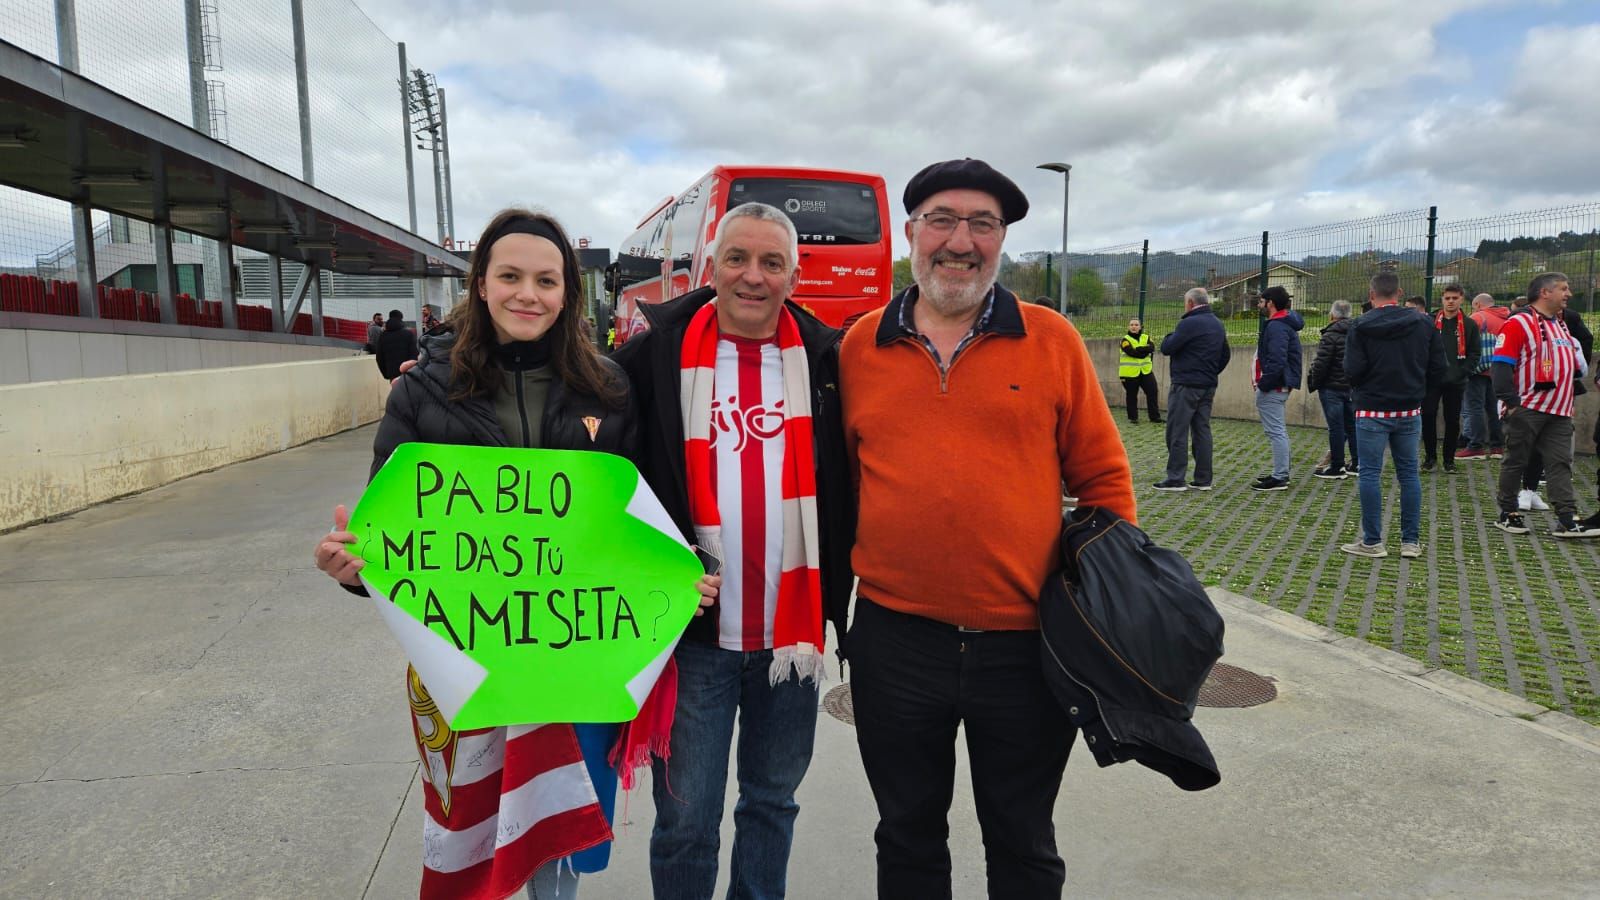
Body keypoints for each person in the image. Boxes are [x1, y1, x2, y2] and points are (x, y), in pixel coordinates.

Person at [312, 208, 718, 899]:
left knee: (556, 840)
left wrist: (681, 578)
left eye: (546, 279)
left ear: (568, 293)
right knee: (471, 840)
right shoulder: (421, 388)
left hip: (574, 658)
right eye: (510, 276)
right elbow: (392, 539)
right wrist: (353, 570)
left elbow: (633, 522)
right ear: (481, 283)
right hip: (465, 663)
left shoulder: (609, 389)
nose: (528, 293)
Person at [841, 158, 1135, 899]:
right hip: (894, 641)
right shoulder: (857, 348)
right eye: (941, 219)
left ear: (1002, 240)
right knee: (906, 836)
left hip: (1027, 646)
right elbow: (840, 484)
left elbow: (1103, 484)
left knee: (1024, 840)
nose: (960, 240)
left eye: (983, 224)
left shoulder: (1051, 339)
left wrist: (1108, 612)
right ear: (911, 232)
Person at [610, 201, 855, 900]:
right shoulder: (648, 358)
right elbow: (594, 468)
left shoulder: (829, 362)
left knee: (772, 806)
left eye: (771, 262)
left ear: (794, 276)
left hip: (791, 639)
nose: (753, 276)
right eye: (737, 259)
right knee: (686, 820)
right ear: (710, 268)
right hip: (695, 638)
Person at [1341, 272, 1446, 558]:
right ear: (1399, 292)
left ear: (1371, 294)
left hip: (1372, 409)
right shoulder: (1425, 323)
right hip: (1410, 408)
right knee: (1409, 474)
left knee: (1370, 474)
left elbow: (1352, 369)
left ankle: (1372, 542)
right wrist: (1418, 388)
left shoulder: (1360, 325)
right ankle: (1410, 542)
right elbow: (1439, 367)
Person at [1491, 273, 1600, 537]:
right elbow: (1501, 365)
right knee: (1516, 460)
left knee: (1560, 463)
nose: (1569, 294)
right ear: (1544, 293)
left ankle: (1566, 518)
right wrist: (1512, 402)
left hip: (1560, 411)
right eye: (1563, 288)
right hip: (1528, 407)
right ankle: (1508, 512)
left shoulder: (1560, 324)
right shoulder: (1519, 323)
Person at [1153, 287, 1230, 491]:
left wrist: (1171, 333)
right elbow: (1225, 355)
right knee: (1202, 430)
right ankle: (1204, 479)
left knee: (1177, 430)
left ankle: (1176, 478)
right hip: (1208, 384)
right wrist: (1210, 372)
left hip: (1185, 385)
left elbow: (1167, 347)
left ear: (1190, 303)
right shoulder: (1217, 323)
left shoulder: (1188, 324)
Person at [1421, 285, 1479, 473]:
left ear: (1462, 299)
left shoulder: (1469, 325)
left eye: (1455, 298)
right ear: (1442, 299)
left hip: (1456, 381)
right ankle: (1430, 458)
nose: (1451, 301)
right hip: (1432, 380)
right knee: (1427, 415)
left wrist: (1462, 372)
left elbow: (1475, 353)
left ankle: (1449, 460)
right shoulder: (1430, 322)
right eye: (1447, 298)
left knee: (1452, 420)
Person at [1251, 285, 1303, 491]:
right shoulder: (1281, 323)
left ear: (1270, 303)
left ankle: (1280, 476)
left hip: (1274, 386)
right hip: (1278, 384)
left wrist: (1264, 384)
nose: (1259, 304)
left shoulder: (1277, 326)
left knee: (1276, 431)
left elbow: (1277, 359)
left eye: (1261, 301)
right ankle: (1280, 472)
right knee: (1277, 430)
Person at [1307, 299, 1358, 479]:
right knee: (1352, 427)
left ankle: (1337, 466)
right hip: (1351, 387)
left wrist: (1314, 382)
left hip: (1331, 388)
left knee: (1336, 428)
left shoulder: (1330, 335)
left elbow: (1321, 364)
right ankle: (1356, 463)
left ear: (1332, 315)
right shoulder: (1357, 334)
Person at [1459, 293, 1509, 460]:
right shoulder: (1506, 318)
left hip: (1478, 370)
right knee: (1494, 409)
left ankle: (1476, 446)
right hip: (1499, 369)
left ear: (1478, 304)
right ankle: (1497, 447)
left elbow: (1464, 341)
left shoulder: (1478, 317)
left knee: (1474, 407)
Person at [1118, 317, 1161, 423]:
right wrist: (1143, 351)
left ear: (1140, 327)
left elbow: (1151, 348)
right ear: (1128, 327)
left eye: (1136, 325)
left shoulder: (1146, 338)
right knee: (1132, 395)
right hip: (1129, 373)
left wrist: (1138, 349)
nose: (1134, 327)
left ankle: (1154, 417)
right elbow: (1130, 352)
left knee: (1153, 391)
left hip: (1145, 371)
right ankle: (1133, 418)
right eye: (1132, 324)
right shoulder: (1125, 340)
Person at [374, 308, 419, 380]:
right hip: (407, 373)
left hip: (392, 374)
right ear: (401, 319)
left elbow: (379, 357)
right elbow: (414, 354)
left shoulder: (383, 336)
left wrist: (386, 374)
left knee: (396, 390)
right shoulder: (408, 334)